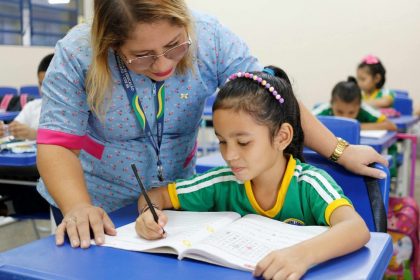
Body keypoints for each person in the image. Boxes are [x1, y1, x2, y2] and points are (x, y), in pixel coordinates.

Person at [37, 0, 386, 249]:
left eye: (174, 46)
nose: (161, 65)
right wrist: (78, 206)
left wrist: (339, 151)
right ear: (111, 45)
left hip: (173, 206)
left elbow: (270, 96)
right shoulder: (77, 55)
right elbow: (56, 143)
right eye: (141, 56)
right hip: (95, 202)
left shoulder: (210, 38)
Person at [135, 67, 370, 280]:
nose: (230, 155)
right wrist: (150, 213)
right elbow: (157, 195)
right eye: (222, 141)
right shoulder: (223, 182)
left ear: (282, 137)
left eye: (244, 142)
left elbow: (356, 228)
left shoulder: (309, 184)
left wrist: (302, 256)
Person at [0, 53, 54, 140]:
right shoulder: (32, 107)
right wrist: (5, 131)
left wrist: (35, 135)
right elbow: (14, 129)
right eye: (41, 84)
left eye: (49, 84)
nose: (44, 89)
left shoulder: (73, 112)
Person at [313, 77, 397, 131]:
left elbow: (391, 126)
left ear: (359, 106)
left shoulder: (364, 110)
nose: (345, 118)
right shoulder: (325, 109)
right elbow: (302, 121)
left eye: (351, 113)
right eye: (340, 112)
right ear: (331, 103)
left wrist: (356, 127)